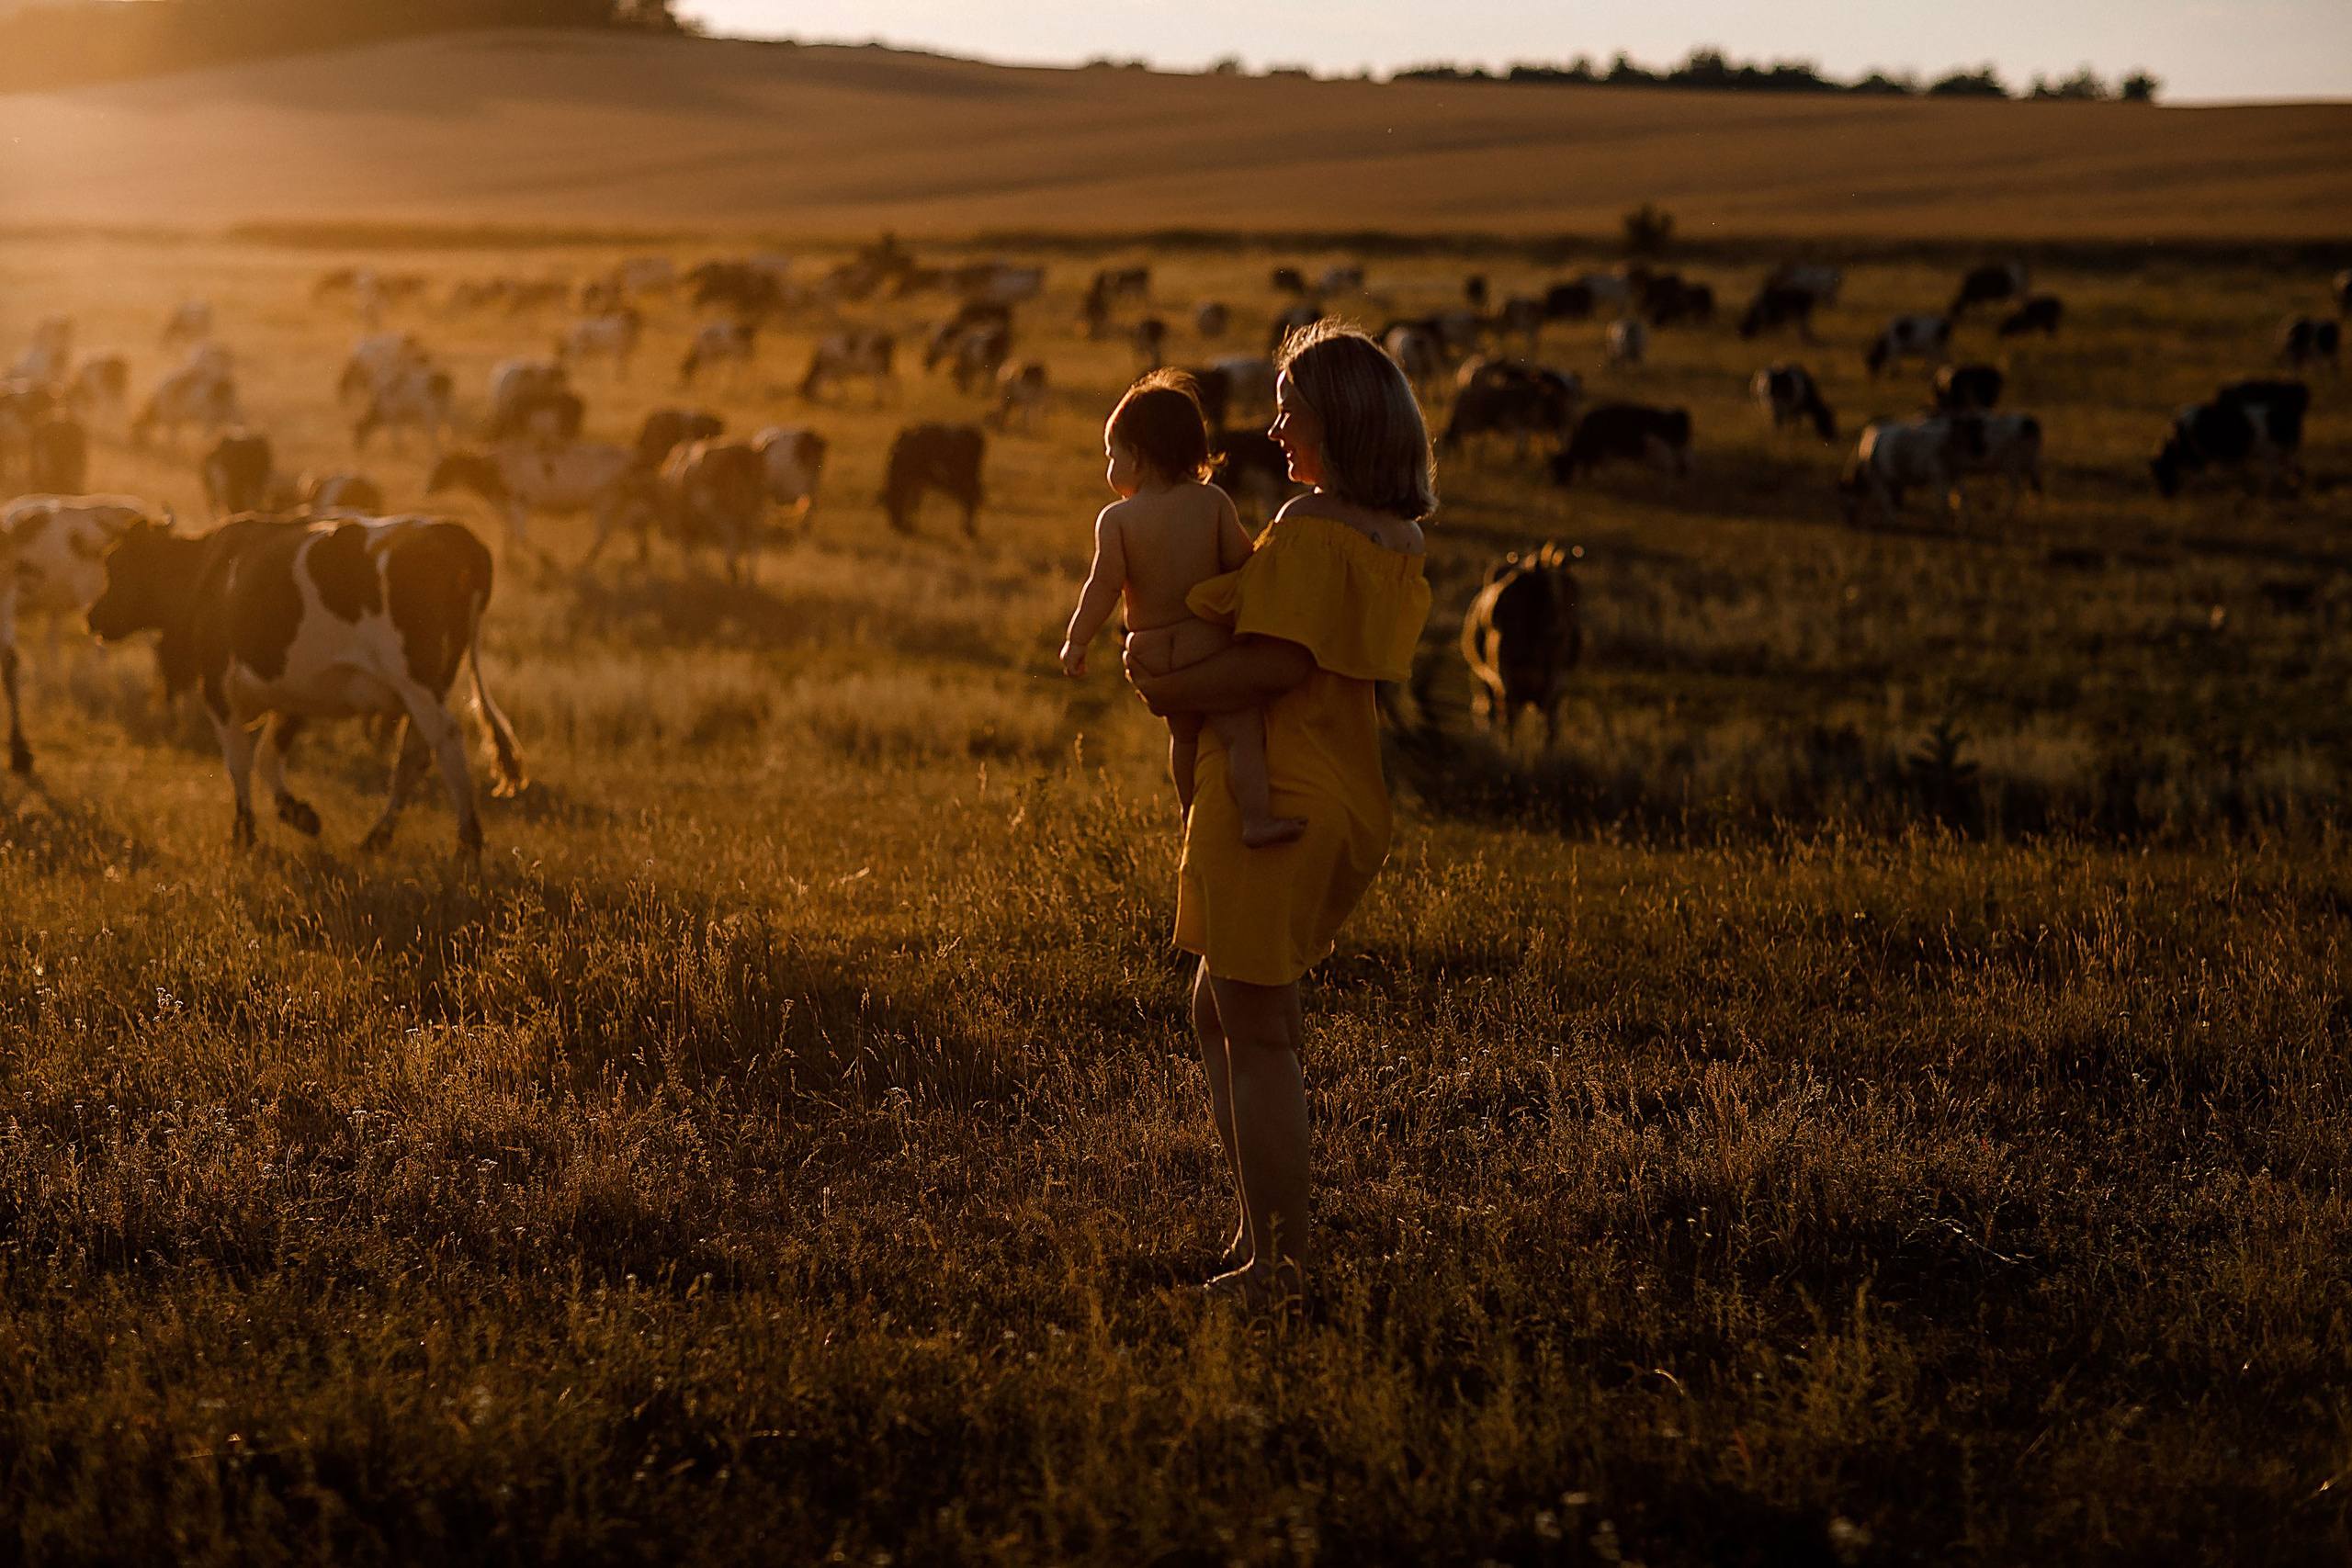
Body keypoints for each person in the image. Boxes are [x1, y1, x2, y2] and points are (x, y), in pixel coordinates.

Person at [1124, 321, 1435, 1303]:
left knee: (1257, 1032)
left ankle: (1281, 1266)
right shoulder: (1396, 537)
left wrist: (1170, 682)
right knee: (1219, 1011)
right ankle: (1264, 1222)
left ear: (1338, 418)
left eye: (1291, 409)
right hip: (1342, 790)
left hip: (1283, 789)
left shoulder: (1309, 530)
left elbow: (1277, 663)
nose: (1274, 427)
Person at [1062, 371, 1306, 848]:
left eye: (1112, 456)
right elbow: (1243, 565)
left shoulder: (1116, 520)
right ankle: (1255, 819)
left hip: (1151, 648)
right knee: (1240, 733)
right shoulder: (1211, 502)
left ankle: (1190, 816)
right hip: (1203, 642)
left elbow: (1103, 585)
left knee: (1186, 738)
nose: (1109, 467)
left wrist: (1077, 639)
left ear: (1136, 457)